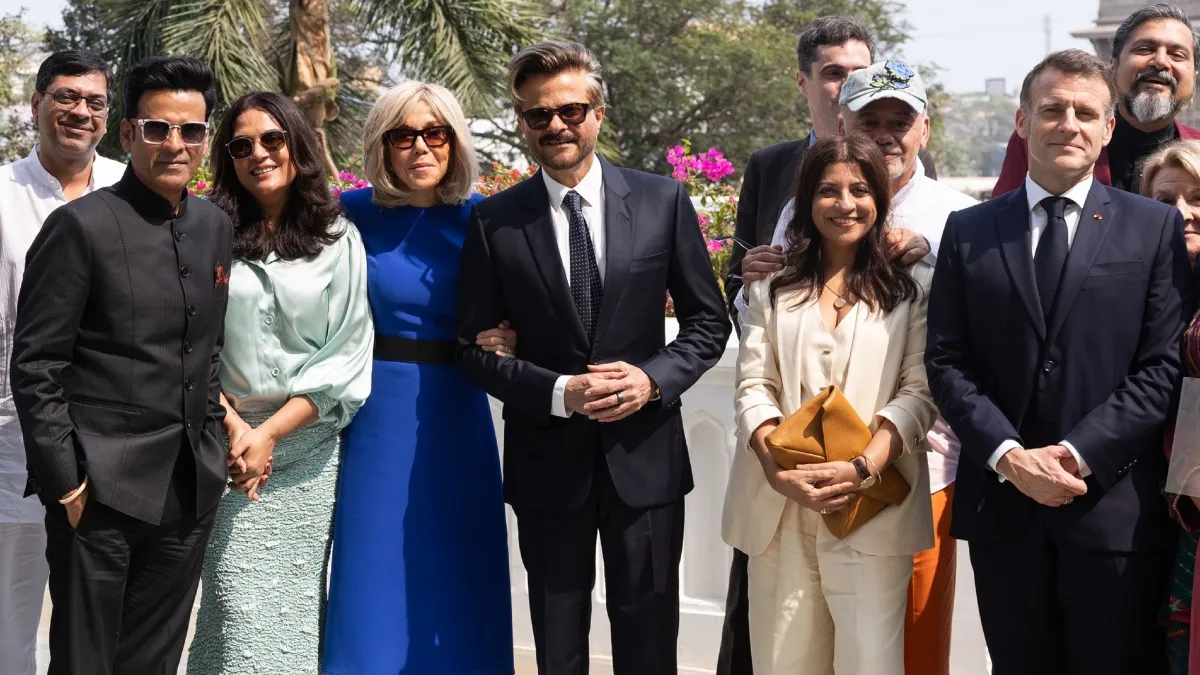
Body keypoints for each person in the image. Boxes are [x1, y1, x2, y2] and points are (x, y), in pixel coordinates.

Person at [456, 40, 731, 675]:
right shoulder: (493, 222)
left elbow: (707, 322)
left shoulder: (663, 201)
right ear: (522, 122)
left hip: (647, 459)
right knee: (557, 642)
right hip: (547, 464)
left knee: (649, 635)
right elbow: (471, 351)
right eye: (538, 114)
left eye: (571, 110)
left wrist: (652, 379)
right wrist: (558, 393)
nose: (556, 125)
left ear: (598, 113)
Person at [926, 49, 1191, 675]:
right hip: (1003, 509)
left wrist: (1073, 455)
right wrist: (1010, 457)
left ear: (1107, 129)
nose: (1067, 123)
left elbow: (1161, 368)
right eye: (1051, 109)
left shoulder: (1151, 228)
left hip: (1111, 509)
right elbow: (947, 361)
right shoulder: (969, 231)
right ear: (1022, 123)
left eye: (1085, 112)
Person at [717, 20, 935, 672]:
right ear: (806, 200)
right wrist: (777, 464)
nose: (846, 203)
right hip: (777, 506)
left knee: (870, 662)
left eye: (861, 189)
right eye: (829, 190)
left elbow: (920, 390)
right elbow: (751, 383)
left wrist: (864, 464)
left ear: (882, 197)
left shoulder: (911, 282)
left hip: (872, 505)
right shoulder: (772, 284)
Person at [9, 55, 232, 674]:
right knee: (85, 661)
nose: (175, 143)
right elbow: (35, 365)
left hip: (188, 489)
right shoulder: (79, 226)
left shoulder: (214, 226)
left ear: (205, 139)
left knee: (155, 662)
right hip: (98, 494)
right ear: (129, 133)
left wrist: (212, 443)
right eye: (158, 128)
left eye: (190, 130)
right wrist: (68, 485)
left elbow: (206, 351)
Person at [322, 81, 515, 675]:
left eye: (436, 133)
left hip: (457, 406)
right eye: (402, 135)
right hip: (376, 407)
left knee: (459, 556)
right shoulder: (347, 213)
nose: (420, 147)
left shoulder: (484, 217)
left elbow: (529, 301)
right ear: (382, 145)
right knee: (374, 559)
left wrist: (513, 335)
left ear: (456, 142)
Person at [186, 91, 373, 675]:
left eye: (273, 139)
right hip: (224, 447)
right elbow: (188, 344)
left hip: (307, 450)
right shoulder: (204, 234)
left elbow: (346, 353)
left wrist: (270, 435)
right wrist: (241, 429)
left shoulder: (338, 238)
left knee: (287, 615)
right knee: (233, 602)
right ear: (227, 158)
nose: (259, 154)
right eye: (241, 145)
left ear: (298, 145)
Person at [0, 50, 124, 675]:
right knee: (9, 627)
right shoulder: (2, 195)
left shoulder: (132, 193)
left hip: (112, 448)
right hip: (12, 446)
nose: (80, 111)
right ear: (37, 104)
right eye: (66, 97)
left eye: (94, 101)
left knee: (96, 635)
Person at [992, 3, 1200, 197]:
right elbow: (1001, 222)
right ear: (1113, 66)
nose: (1161, 61)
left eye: (1177, 55)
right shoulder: (1047, 137)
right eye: (1144, 49)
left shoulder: (1196, 148)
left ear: (1194, 76)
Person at [1141, 139, 1200, 674]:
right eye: (1165, 200)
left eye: (1197, 197)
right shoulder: (1134, 283)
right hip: (1144, 496)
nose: (1181, 213)